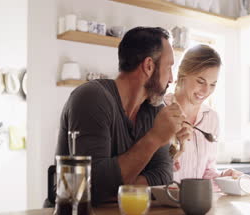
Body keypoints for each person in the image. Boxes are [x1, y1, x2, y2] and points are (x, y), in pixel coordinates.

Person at [55, 27, 190, 205]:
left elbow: (163, 176)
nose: (171, 79)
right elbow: (92, 187)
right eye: (169, 67)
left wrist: (115, 188)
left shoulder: (155, 109)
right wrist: (155, 138)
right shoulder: (91, 98)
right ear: (149, 66)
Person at [164, 45, 243, 183]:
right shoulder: (160, 110)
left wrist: (223, 177)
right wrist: (172, 152)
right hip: (164, 200)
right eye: (201, 81)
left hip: (196, 202)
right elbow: (148, 169)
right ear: (183, 75)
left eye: (213, 84)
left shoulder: (211, 118)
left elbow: (207, 172)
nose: (206, 90)